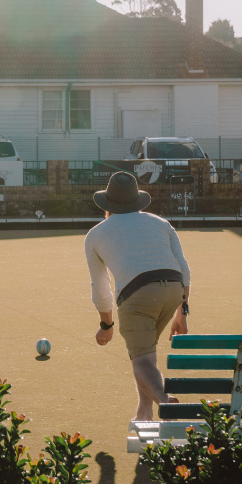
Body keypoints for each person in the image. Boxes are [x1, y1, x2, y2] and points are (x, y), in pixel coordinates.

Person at [85, 171, 190, 421]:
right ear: (137, 200)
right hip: (173, 289)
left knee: (141, 361)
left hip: (138, 294)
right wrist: (182, 313)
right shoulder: (161, 223)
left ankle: (166, 402)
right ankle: (144, 412)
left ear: (107, 204)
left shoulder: (96, 234)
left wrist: (106, 325)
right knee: (146, 354)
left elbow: (101, 288)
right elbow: (183, 269)